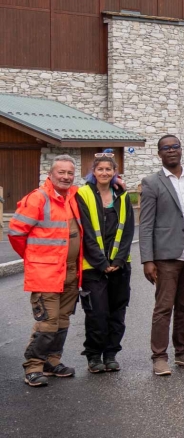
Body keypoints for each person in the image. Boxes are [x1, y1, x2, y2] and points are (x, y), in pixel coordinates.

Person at [10, 155, 83, 387]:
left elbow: (99, 184)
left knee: (62, 321)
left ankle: (52, 362)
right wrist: (33, 258)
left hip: (71, 272)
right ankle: (33, 366)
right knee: (47, 323)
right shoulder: (38, 198)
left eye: (70, 173)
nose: (66, 177)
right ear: (50, 174)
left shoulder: (73, 195)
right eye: (61, 172)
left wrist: (117, 184)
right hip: (46, 274)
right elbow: (15, 232)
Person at [140, 135, 184, 376]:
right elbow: (146, 224)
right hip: (166, 257)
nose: (171, 151)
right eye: (166, 148)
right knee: (163, 308)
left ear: (181, 150)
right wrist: (148, 259)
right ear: (159, 154)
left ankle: (183, 352)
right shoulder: (151, 183)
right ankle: (159, 356)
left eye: (175, 147)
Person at [76, 153, 135, 374]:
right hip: (94, 267)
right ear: (93, 171)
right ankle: (94, 356)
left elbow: (128, 229)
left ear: (114, 173)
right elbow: (87, 233)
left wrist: (119, 260)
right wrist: (102, 263)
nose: (104, 173)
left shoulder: (122, 195)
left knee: (117, 313)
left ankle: (111, 355)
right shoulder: (83, 194)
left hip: (120, 265)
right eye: (100, 169)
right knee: (97, 314)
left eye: (108, 170)